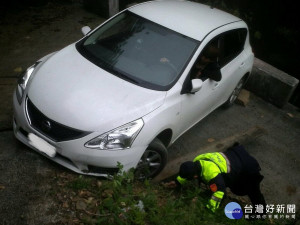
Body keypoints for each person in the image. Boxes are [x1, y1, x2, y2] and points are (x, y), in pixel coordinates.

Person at [166, 143, 266, 213]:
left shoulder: (211, 174)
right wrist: (177, 181)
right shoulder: (198, 160)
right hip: (234, 155)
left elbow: (219, 192)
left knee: (251, 191)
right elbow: (190, 172)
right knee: (221, 184)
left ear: (195, 176)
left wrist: (209, 208)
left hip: (247, 166)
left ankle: (260, 213)